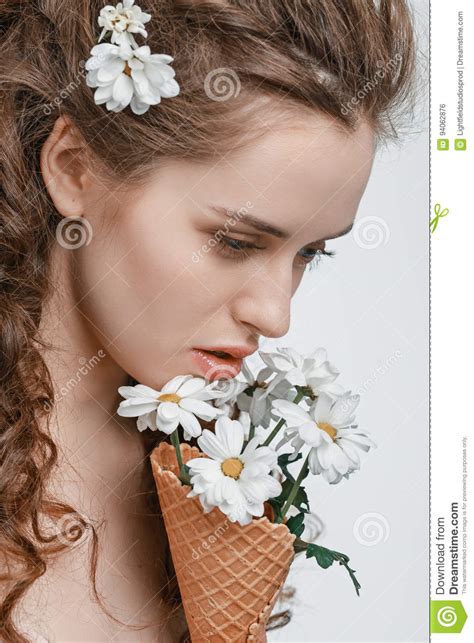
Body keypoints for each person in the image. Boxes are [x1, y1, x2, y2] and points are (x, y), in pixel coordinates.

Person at [0, 0, 417, 640]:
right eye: (234, 242)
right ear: (74, 169)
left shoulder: (217, 477)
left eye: (311, 252)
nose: (275, 316)